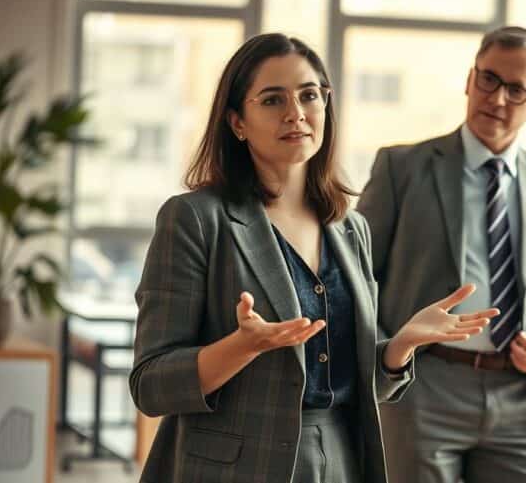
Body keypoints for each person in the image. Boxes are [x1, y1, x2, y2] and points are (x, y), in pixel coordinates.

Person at [129, 33, 497, 483]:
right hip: (233, 470)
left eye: (309, 95)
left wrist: (400, 347)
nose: (296, 114)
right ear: (237, 122)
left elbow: (347, 386)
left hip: (340, 460)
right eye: (271, 100)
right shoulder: (194, 219)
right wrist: (242, 346)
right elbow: (151, 385)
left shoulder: (349, 228)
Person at [357, 25, 526, 483]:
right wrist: (389, 356)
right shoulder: (402, 169)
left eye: (517, 89)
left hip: (523, 394)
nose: (498, 98)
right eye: (489, 79)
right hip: (425, 387)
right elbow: (355, 276)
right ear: (470, 80)